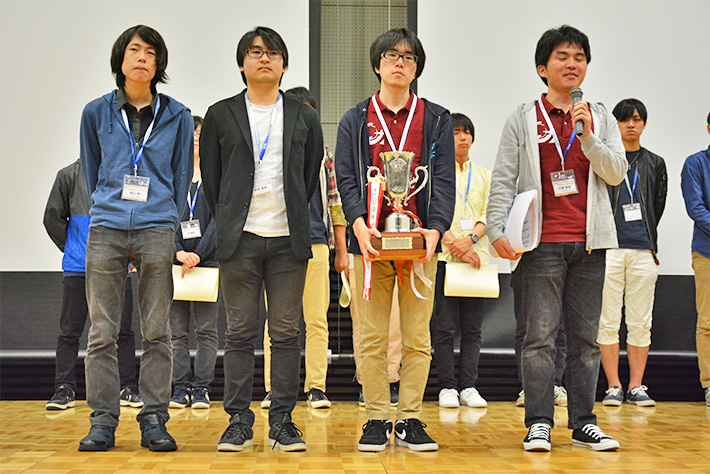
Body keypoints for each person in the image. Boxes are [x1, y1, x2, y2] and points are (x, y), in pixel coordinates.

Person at [485, 25, 626, 452]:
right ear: (543, 68)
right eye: (563, 57)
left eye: (579, 57)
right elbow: (504, 179)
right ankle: (539, 421)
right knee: (540, 338)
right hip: (539, 244)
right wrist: (494, 230)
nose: (573, 63)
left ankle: (584, 422)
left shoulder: (599, 116)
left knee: (586, 340)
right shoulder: (523, 117)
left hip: (590, 244)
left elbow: (616, 171)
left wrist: (589, 139)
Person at [201, 27, 324, 452]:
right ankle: (237, 420)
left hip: (288, 241)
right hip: (240, 241)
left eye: (273, 53)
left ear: (284, 65)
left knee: (287, 333)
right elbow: (213, 181)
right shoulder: (220, 114)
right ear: (242, 64)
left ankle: (283, 421)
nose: (264, 58)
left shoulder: (304, 115)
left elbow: (308, 179)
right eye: (255, 52)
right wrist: (233, 220)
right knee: (238, 333)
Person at [335, 28, 455, 452]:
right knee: (370, 338)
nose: (400, 62)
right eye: (392, 55)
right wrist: (357, 224)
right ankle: (375, 419)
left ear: (416, 68)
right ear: (377, 65)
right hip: (369, 243)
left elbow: (443, 183)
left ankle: (410, 419)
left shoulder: (437, 118)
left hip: (420, 244)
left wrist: (436, 231)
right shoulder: (354, 119)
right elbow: (347, 178)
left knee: (418, 337)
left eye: (409, 57)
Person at [78, 25, 193, 452]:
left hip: (155, 228)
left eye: (150, 52)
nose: (142, 57)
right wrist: (106, 204)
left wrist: (166, 215)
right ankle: (103, 421)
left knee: (157, 330)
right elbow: (91, 169)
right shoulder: (96, 112)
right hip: (106, 227)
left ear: (159, 63)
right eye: (133, 50)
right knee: (102, 332)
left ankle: (154, 419)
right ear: (120, 61)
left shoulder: (178, 114)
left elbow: (181, 174)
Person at [261, 87, 348, 411]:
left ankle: (315, 387)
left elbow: (336, 205)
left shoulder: (324, 155)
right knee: (277, 322)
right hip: (278, 246)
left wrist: (341, 250)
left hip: (315, 245)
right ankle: (275, 390)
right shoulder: (269, 152)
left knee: (316, 321)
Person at [44, 160, 142, 411]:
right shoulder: (67, 175)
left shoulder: (125, 173)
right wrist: (75, 247)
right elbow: (52, 218)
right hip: (79, 267)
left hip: (118, 267)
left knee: (124, 331)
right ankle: (64, 388)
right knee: (70, 330)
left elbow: (135, 214)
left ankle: (127, 387)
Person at [598, 99, 667, 407]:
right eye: (625, 120)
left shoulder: (654, 163)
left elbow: (658, 205)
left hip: (642, 250)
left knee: (641, 321)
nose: (631, 124)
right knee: (607, 320)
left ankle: (636, 385)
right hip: (609, 249)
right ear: (616, 125)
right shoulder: (605, 161)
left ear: (644, 124)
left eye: (637, 119)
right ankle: (613, 385)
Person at [432, 113, 489, 409]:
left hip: (475, 259)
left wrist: (471, 242)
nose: (463, 138)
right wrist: (454, 244)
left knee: (472, 328)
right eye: (456, 132)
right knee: (443, 327)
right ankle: (447, 387)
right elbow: (431, 212)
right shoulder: (438, 173)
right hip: (444, 257)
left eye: (467, 132)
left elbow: (488, 213)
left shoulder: (483, 175)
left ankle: (469, 385)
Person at [169, 116, 220, 410]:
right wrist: (177, 251)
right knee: (176, 332)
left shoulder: (215, 176)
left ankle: (201, 388)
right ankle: (180, 387)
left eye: (201, 134)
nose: (196, 139)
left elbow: (218, 221)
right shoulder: (172, 175)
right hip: (175, 264)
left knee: (206, 331)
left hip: (208, 261)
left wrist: (199, 253)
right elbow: (164, 217)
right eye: (191, 134)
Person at [680, 112, 710, 408]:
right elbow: (696, 207)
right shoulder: (696, 163)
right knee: (709, 322)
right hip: (707, 252)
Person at [512, 268, 568, 408]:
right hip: (524, 262)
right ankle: (528, 388)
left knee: (558, 328)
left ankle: (555, 384)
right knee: (526, 328)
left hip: (558, 261)